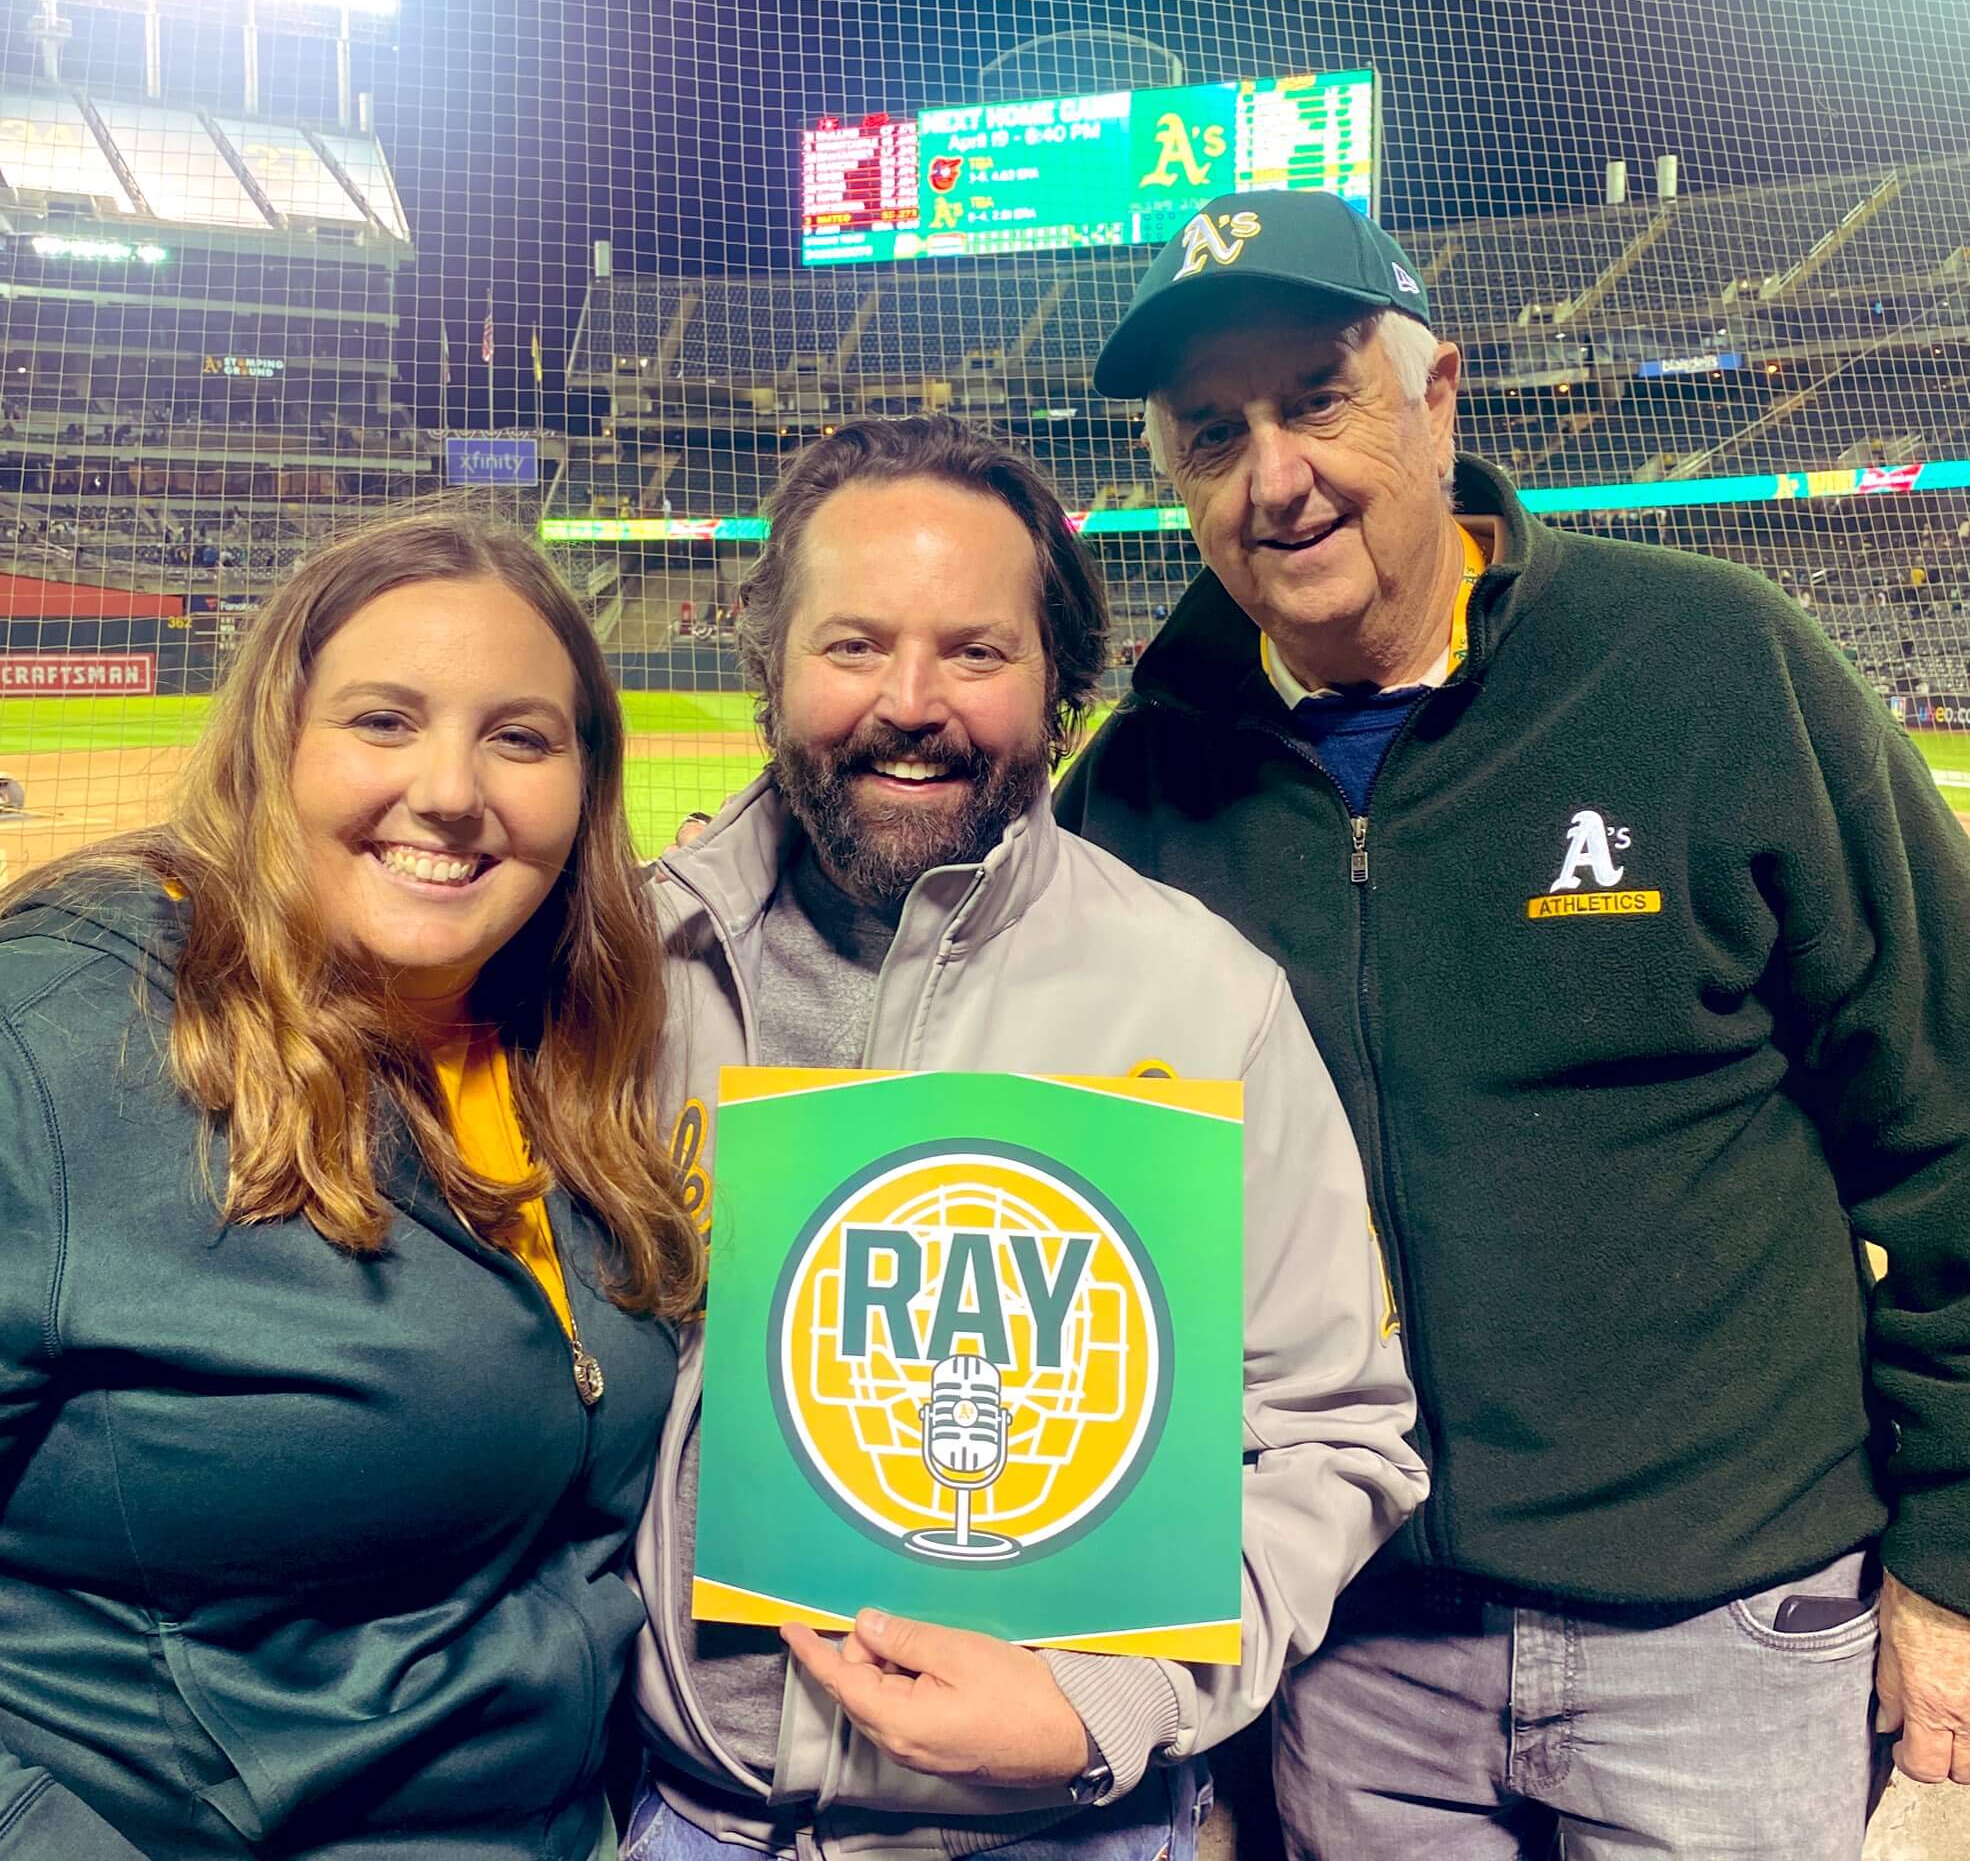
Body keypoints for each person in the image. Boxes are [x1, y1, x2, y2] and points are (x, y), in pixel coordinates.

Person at [1054, 189, 1970, 1857]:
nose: (1273, 476)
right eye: (1210, 433)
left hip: (1724, 1623)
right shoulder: (1138, 784)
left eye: (1315, 397)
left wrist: (1956, 1560)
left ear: (1438, 393)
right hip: (1350, 1651)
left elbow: (1947, 1135)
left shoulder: (1711, 666)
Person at [625, 415, 1426, 1861]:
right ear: (771, 666)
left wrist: (1106, 1707)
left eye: (977, 653)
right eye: (854, 645)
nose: (910, 702)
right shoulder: (626, 966)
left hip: (1067, 1829)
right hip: (686, 1820)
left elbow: (1337, 1436)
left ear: (1061, 685)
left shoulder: (1200, 998)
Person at [0, 515, 703, 1860]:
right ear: (277, 743)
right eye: (383, 721)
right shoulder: (48, 1040)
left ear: (585, 783)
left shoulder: (567, 1048)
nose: (451, 789)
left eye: (520, 737)